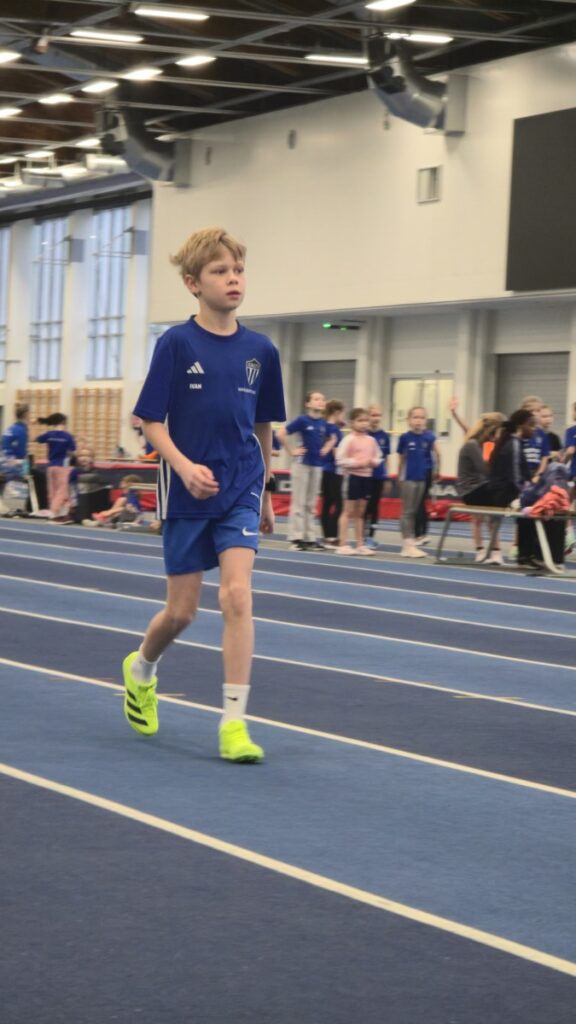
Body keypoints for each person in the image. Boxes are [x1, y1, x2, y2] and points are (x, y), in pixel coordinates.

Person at [122, 226, 285, 764]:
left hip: (241, 484)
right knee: (182, 613)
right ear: (194, 283)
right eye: (220, 271)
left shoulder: (262, 350)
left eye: (238, 269)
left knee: (237, 596)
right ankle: (141, 668)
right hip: (188, 489)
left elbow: (262, 426)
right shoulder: (176, 343)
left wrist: (265, 490)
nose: (233, 279)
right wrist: (185, 466)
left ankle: (234, 723)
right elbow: (150, 421)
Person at [277, 391, 328, 551]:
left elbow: (329, 439)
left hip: (317, 465)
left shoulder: (323, 423)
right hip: (302, 465)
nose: (320, 402)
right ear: (308, 403)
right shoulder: (302, 420)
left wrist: (326, 449)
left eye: (322, 399)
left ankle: (309, 537)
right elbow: (280, 433)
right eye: (316, 399)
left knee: (311, 504)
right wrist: (291, 451)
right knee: (299, 502)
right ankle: (296, 537)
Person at [456, 412, 505, 563]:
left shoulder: (478, 444)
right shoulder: (472, 445)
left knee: (494, 511)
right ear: (492, 431)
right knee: (496, 503)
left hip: (478, 486)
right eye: (499, 432)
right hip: (469, 490)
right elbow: (485, 470)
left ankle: (494, 551)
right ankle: (484, 550)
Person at [335, 407, 381, 555]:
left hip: (366, 478)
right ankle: (343, 544)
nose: (363, 423)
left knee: (361, 513)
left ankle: (360, 544)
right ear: (352, 423)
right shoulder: (348, 439)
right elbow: (339, 459)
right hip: (352, 477)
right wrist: (357, 463)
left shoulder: (371, 440)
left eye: (366, 420)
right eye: (360, 420)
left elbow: (378, 457)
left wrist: (372, 462)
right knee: (348, 511)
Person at [396, 406, 436, 558]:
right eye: (415, 417)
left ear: (425, 421)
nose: (418, 421)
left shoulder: (427, 438)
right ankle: (407, 544)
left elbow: (429, 458)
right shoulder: (405, 438)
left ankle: (411, 542)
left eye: (421, 418)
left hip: (421, 478)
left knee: (414, 511)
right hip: (408, 478)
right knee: (407, 512)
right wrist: (399, 476)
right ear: (408, 420)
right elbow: (401, 459)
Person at [35, 413, 76, 522]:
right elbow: (72, 451)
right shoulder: (67, 436)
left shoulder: (49, 434)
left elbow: (37, 439)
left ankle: (58, 513)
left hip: (50, 466)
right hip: (62, 466)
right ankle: (55, 512)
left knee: (52, 491)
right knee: (62, 491)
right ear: (63, 422)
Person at [320, 398, 345, 548]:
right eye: (342, 413)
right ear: (336, 412)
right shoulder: (334, 430)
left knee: (327, 503)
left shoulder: (323, 426)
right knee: (339, 504)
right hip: (334, 470)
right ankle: (332, 535)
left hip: (324, 469)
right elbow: (336, 452)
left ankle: (327, 536)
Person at [364, 404, 390, 548]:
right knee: (364, 507)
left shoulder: (384, 436)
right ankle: (362, 535)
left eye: (378, 415)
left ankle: (371, 537)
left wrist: (387, 477)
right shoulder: (364, 434)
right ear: (368, 417)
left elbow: (386, 458)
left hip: (379, 477)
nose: (376, 418)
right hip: (364, 476)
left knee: (374, 507)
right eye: (373, 415)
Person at [414, 418, 441, 545]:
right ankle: (422, 533)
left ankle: (419, 534)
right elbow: (439, 454)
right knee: (421, 503)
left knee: (418, 503)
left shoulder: (429, 436)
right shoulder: (430, 436)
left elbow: (438, 453)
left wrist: (437, 470)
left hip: (423, 471)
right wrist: (438, 470)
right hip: (427, 471)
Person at [1, 403, 29, 474]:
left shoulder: (9, 429)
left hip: (4, 464)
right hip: (14, 466)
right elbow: (21, 453)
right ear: (26, 415)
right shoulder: (21, 431)